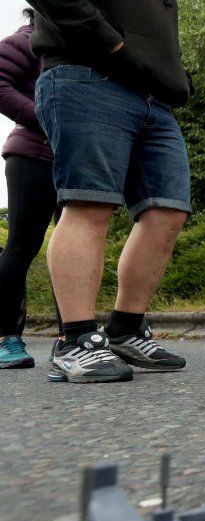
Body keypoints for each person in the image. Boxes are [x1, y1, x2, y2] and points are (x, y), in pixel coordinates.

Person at [30, 0, 194, 382]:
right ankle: (76, 340)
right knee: (89, 203)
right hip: (88, 71)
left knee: (166, 212)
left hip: (156, 93)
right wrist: (112, 43)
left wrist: (177, 74)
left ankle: (125, 329)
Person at [0, 9, 59, 369]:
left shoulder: (77, 47)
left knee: (75, 246)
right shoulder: (27, 39)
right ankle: (7, 339)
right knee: (21, 246)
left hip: (73, 160)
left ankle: (75, 337)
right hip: (32, 157)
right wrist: (46, 117)